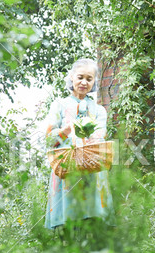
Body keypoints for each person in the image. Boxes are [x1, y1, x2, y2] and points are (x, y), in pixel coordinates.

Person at [44, 58, 115, 233]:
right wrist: (67, 130)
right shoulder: (58, 105)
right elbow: (48, 138)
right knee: (67, 223)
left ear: (94, 82)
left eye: (89, 79)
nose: (84, 82)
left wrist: (91, 138)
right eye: (80, 77)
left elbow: (101, 134)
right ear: (72, 78)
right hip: (66, 168)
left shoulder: (99, 110)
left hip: (91, 168)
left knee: (92, 223)